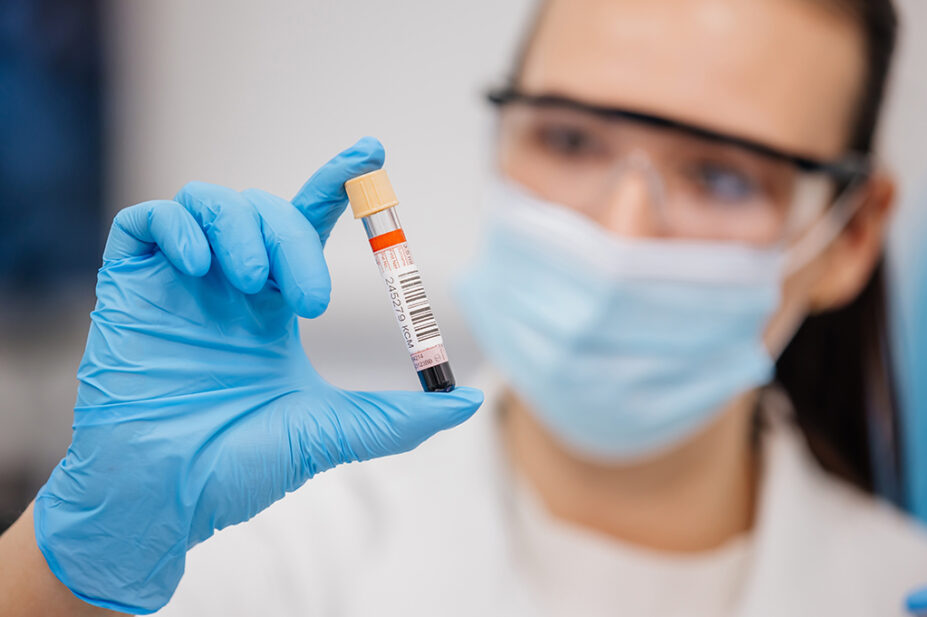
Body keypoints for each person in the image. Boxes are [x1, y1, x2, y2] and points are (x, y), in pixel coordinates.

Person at [1, 0, 926, 615]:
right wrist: (69, 560)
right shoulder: (267, 554)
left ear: (848, 236)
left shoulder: (896, 586)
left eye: (720, 174)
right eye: (569, 137)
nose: (621, 229)